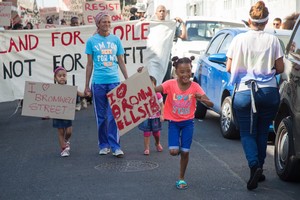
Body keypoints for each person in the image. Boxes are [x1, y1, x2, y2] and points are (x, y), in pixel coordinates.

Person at [226, 1, 284, 190]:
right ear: (266, 22)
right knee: (261, 132)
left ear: (249, 21)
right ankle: (258, 169)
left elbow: (228, 67)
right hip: (268, 92)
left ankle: (254, 166)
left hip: (244, 91)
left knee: (247, 133)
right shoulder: (273, 40)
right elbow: (280, 68)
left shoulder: (238, 40)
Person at [138, 56, 213, 189]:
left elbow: (211, 103)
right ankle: (178, 149)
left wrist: (201, 98)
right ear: (176, 72)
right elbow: (153, 90)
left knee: (185, 152)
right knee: (173, 152)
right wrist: (142, 77)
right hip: (174, 123)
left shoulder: (195, 86)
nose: (185, 74)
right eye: (182, 72)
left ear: (191, 70)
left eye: (188, 71)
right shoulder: (170, 84)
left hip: (188, 123)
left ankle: (181, 178)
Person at [84, 12, 128, 158]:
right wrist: (86, 85)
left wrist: (127, 79)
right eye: (104, 22)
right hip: (98, 84)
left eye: (109, 22)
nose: (107, 24)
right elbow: (89, 64)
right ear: (98, 24)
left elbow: (121, 61)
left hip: (114, 81)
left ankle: (115, 146)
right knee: (101, 117)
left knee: (114, 115)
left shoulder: (116, 40)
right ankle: (103, 145)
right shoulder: (91, 41)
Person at [138, 76, 164, 155]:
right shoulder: (142, 95)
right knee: (147, 132)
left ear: (155, 86)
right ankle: (147, 148)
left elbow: (162, 105)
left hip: (155, 117)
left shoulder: (158, 95)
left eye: (151, 84)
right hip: (146, 117)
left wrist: (162, 114)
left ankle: (157, 143)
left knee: (156, 133)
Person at [52, 66, 73, 157]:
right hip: (57, 114)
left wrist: (86, 94)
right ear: (55, 78)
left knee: (69, 132)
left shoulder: (69, 88)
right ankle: (63, 149)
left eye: (64, 75)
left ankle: (66, 140)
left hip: (67, 113)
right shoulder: (52, 89)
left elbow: (78, 93)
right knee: (60, 132)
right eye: (59, 76)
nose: (62, 77)